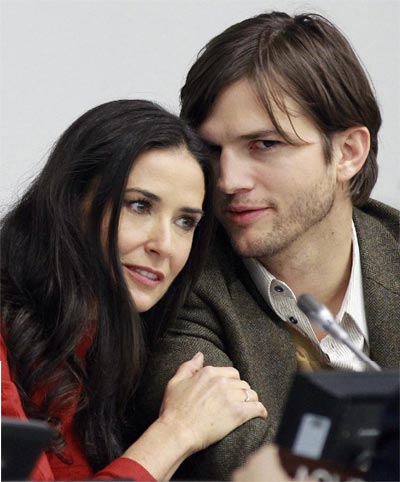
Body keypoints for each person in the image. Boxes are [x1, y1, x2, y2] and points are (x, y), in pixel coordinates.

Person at [130, 11, 400, 481]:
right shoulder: (175, 285)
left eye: (265, 145)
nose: (229, 181)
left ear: (349, 152)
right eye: (212, 151)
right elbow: (253, 468)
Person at [0, 99, 268, 481]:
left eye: (185, 222)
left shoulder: (110, 346)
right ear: (73, 201)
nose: (165, 245)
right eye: (140, 206)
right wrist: (176, 433)